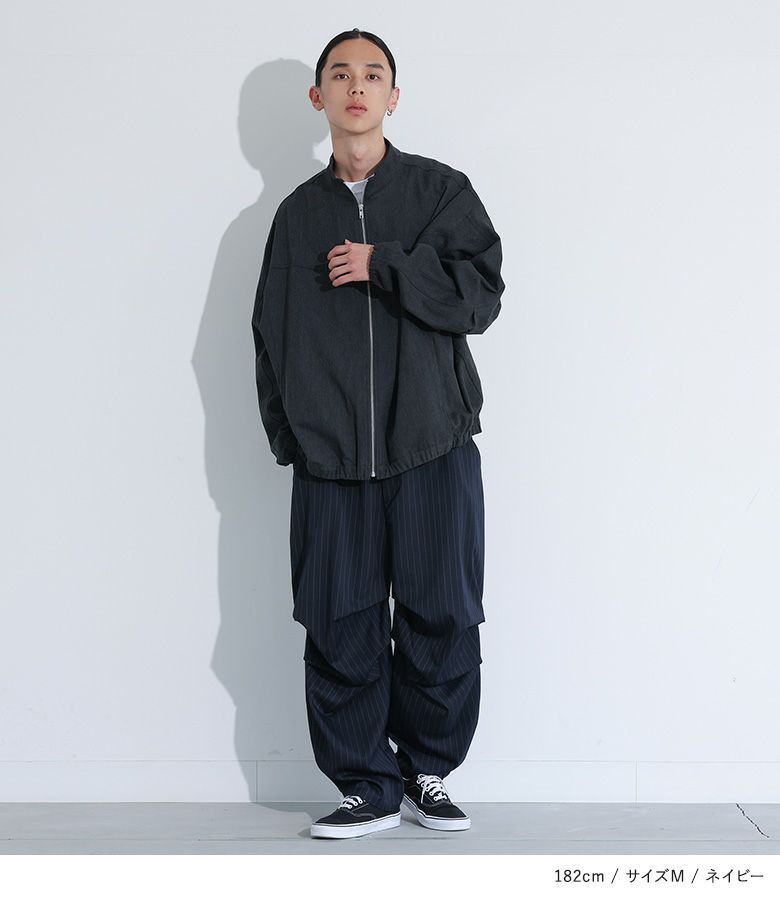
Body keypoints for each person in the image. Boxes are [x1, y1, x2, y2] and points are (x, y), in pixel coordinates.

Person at [251, 28, 505, 840]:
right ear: (318, 97)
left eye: (371, 74)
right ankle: (365, 784)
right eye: (339, 74)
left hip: (432, 445)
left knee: (442, 615)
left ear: (393, 96)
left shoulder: (440, 193)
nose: (355, 86)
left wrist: (384, 263)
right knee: (339, 621)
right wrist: (294, 440)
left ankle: (428, 773)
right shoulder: (297, 216)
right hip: (330, 463)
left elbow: (480, 297)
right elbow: (268, 335)